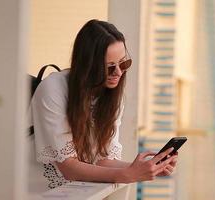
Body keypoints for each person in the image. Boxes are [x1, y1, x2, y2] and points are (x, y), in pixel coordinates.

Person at [29, 19, 178, 190]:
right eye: (109, 67)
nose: (119, 73)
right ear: (88, 65)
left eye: (124, 63)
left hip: (74, 193)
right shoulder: (53, 89)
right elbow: (68, 167)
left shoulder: (112, 95)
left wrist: (148, 168)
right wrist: (126, 175)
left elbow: (102, 160)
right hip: (32, 190)